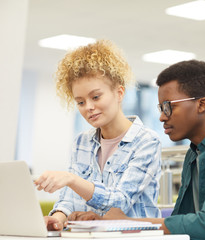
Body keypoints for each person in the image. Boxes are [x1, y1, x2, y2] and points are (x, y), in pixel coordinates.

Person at [68, 60, 205, 239]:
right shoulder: (196, 153)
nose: (161, 116)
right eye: (160, 107)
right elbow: (183, 223)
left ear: (201, 104)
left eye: (168, 107)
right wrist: (103, 221)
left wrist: (125, 222)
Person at [34, 40, 162, 231]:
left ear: (119, 93)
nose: (89, 108)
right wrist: (58, 218)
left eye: (95, 97)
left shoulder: (147, 141)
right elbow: (69, 200)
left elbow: (120, 202)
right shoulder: (82, 142)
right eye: (80, 102)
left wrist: (72, 179)